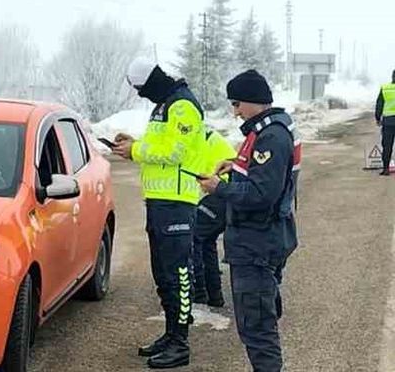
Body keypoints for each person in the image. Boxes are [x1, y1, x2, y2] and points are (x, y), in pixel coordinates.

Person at [198, 69, 298, 372]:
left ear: (254, 101)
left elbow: (262, 194)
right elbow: (265, 178)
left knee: (257, 328)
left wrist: (220, 187)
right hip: (262, 240)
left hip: (257, 244)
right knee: (260, 318)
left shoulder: (271, 136)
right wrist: (236, 166)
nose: (236, 110)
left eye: (238, 103)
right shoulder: (267, 131)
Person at [113, 57, 206, 369]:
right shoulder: (163, 105)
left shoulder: (183, 106)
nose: (141, 95)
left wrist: (136, 151)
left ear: (152, 81)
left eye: (141, 88)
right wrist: (135, 144)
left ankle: (180, 342)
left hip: (178, 202)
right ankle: (170, 333)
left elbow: (175, 152)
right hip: (159, 201)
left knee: (178, 274)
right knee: (162, 274)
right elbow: (160, 146)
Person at [192, 129, 237, 308]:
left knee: (195, 238)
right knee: (206, 242)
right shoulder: (207, 136)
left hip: (218, 195)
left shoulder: (196, 139)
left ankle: (200, 292)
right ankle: (214, 295)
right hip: (223, 195)